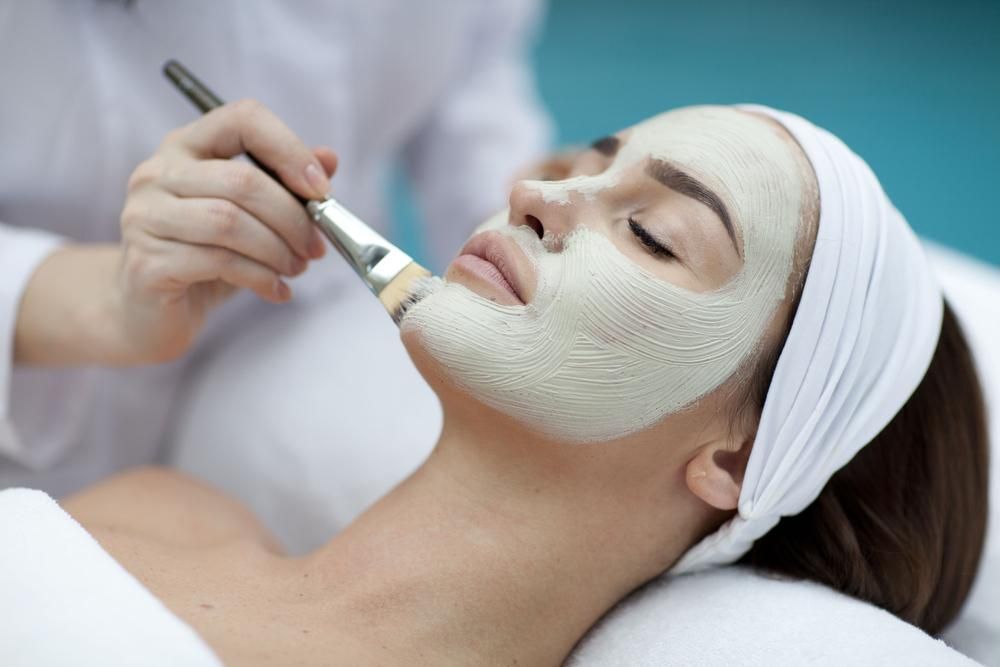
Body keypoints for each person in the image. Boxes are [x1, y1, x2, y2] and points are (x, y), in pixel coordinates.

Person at [60, 105, 988, 664]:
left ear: (739, 454)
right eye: (579, 168)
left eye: (654, 234)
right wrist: (99, 307)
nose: (536, 196)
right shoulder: (154, 508)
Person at [0, 1, 550, 494]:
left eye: (641, 233)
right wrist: (107, 301)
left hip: (315, 371)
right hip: (50, 446)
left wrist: (523, 229)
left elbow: (468, 67)